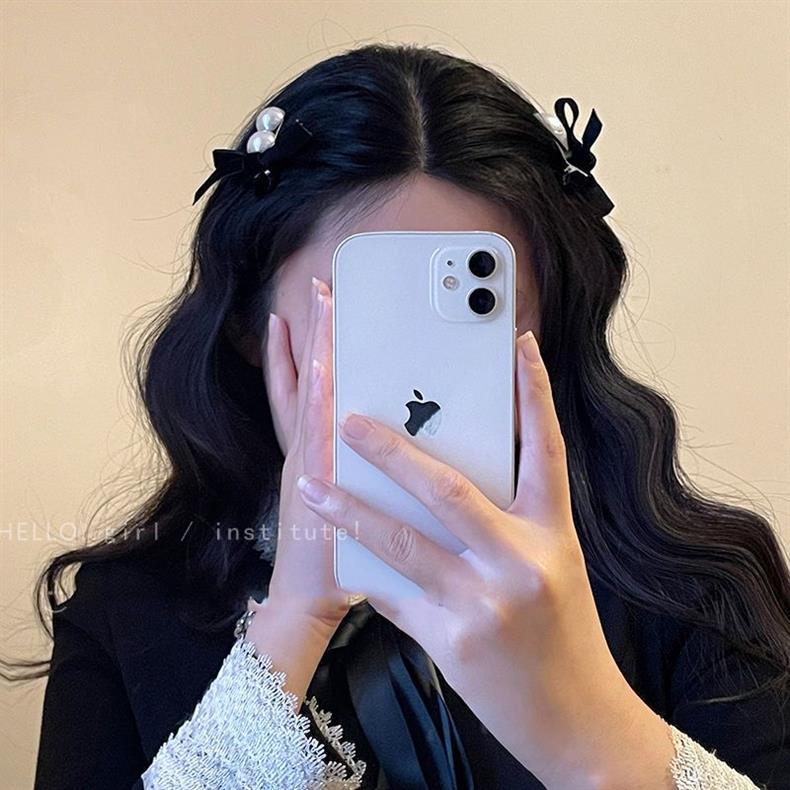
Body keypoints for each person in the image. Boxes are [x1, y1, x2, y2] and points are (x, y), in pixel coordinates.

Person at [25, 43, 788, 789]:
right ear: (251, 329)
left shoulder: (697, 586)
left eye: (476, 314)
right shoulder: (126, 611)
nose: (418, 379)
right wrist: (293, 620)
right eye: (368, 310)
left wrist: (589, 731)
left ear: (547, 325)